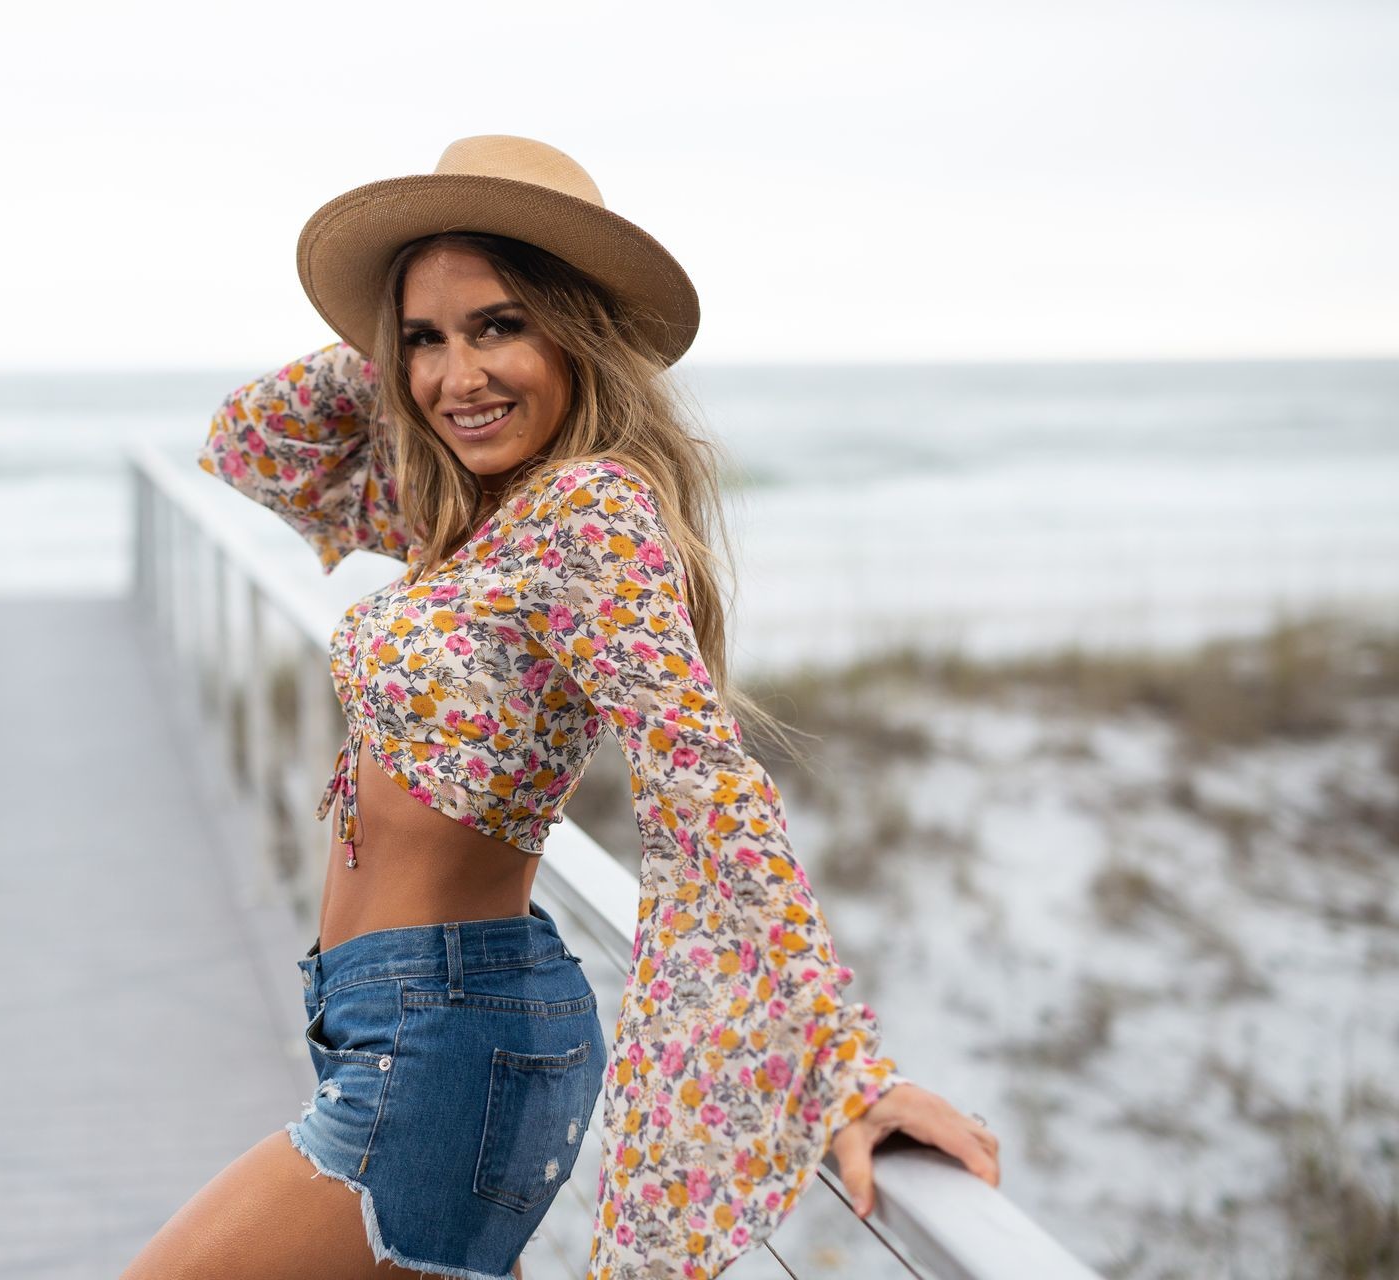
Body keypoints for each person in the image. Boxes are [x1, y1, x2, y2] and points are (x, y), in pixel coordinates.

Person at [128, 135, 1000, 1280]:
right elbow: (252, 443)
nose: (457, 377)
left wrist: (845, 1068)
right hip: (383, 1020)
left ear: (578, 330)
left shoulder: (587, 514)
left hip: (443, 1040)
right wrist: (400, 336)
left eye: (499, 325)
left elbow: (705, 781)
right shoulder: (476, 509)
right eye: (427, 339)